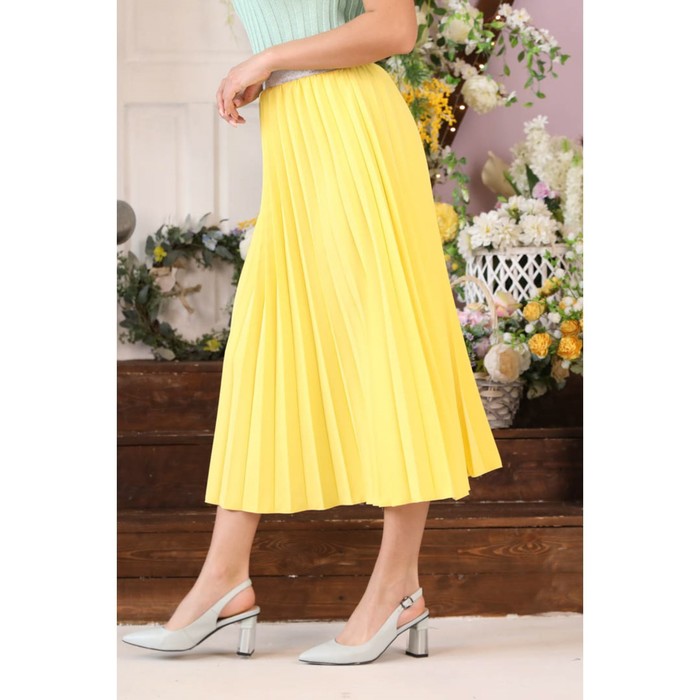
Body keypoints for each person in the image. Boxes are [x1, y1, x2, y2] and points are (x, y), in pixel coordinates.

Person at [122, 0, 503, 665]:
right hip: (295, 136)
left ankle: (397, 586)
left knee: (387, 341)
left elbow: (395, 28)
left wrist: (268, 59)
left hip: (353, 132)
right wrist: (272, 68)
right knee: (265, 347)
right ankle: (224, 579)